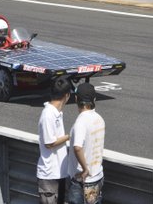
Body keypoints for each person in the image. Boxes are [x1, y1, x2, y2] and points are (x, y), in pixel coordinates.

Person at [67, 83, 105, 204]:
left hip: (82, 181)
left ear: (76, 99)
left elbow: (77, 147)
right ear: (94, 99)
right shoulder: (99, 118)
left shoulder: (81, 122)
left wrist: (85, 169)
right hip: (98, 176)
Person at [37, 76, 71, 204]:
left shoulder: (57, 113)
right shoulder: (48, 114)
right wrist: (69, 136)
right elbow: (49, 143)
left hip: (59, 174)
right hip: (49, 176)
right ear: (67, 95)